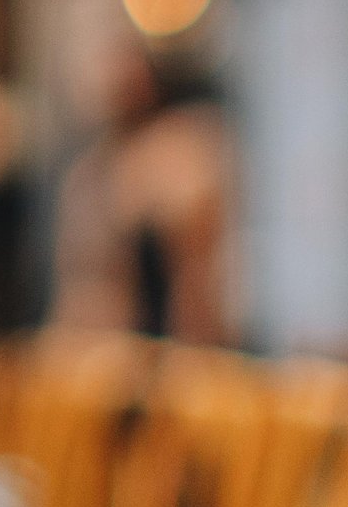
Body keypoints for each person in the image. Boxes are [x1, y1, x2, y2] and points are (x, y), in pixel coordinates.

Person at [49, 28, 235, 344]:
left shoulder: (181, 152)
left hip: (176, 340)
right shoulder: (87, 173)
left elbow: (198, 273)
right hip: (106, 347)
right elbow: (79, 282)